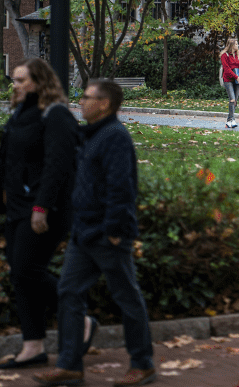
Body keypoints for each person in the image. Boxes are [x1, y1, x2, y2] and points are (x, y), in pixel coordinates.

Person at [34, 80, 156, 387]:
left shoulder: (114, 137)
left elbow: (122, 188)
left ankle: (143, 364)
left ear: (104, 104)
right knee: (69, 293)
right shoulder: (91, 135)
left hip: (107, 234)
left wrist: (114, 232)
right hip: (84, 233)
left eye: (87, 98)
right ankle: (69, 365)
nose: (81, 101)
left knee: (126, 297)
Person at [0, 59, 88, 370]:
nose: (15, 85)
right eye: (14, 80)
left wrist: (41, 207)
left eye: (21, 80)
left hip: (46, 209)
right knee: (20, 275)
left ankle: (80, 319)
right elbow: (6, 163)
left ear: (39, 82)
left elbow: (58, 166)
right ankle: (33, 346)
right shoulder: (20, 114)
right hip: (17, 208)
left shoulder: (55, 115)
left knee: (27, 269)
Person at [219, 38, 239, 129]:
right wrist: (236, 77)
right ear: (232, 45)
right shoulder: (224, 55)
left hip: (238, 80)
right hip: (228, 80)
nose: (238, 45)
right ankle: (231, 120)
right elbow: (226, 69)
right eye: (236, 44)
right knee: (232, 99)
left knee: (235, 101)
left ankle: (230, 120)